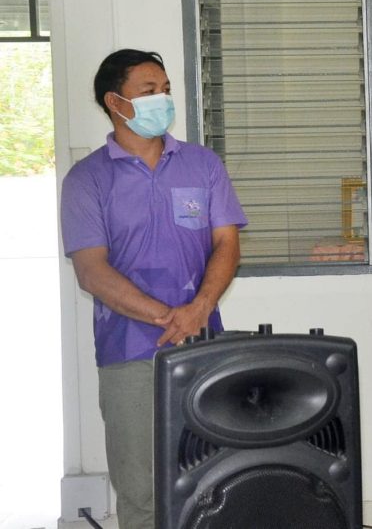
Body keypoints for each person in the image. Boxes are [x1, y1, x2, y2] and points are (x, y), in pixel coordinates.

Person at [60, 49, 247, 529]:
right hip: (129, 351)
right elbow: (91, 271)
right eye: (149, 91)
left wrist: (199, 309)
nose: (162, 99)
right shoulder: (87, 180)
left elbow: (227, 244)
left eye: (165, 89)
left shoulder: (202, 165)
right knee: (141, 490)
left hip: (204, 345)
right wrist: (169, 318)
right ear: (115, 102)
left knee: (213, 480)